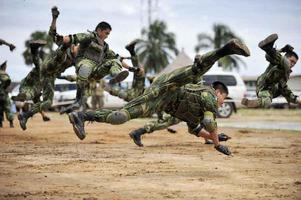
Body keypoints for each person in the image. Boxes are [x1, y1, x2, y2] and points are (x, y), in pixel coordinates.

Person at [68, 39, 250, 155]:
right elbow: (210, 124)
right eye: (223, 98)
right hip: (172, 85)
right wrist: (216, 143)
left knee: (119, 117)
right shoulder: (209, 95)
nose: (222, 102)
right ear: (218, 92)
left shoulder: (197, 115)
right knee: (196, 71)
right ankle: (227, 49)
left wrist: (211, 137)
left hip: (159, 101)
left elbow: (195, 130)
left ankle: (82, 116)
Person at [54, 20, 129, 114]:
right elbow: (73, 38)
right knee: (86, 68)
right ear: (99, 30)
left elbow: (118, 58)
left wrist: (131, 68)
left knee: (115, 61)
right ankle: (78, 100)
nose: (107, 36)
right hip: (83, 66)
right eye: (106, 33)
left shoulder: (105, 46)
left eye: (108, 34)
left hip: (96, 72)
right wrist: (61, 38)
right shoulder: (88, 37)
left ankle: (115, 76)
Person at [241, 33, 300, 108]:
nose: (293, 64)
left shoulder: (285, 75)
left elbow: (285, 90)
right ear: (286, 57)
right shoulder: (278, 62)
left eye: (294, 63)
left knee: (267, 102)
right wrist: (282, 50)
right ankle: (267, 48)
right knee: (273, 58)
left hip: (265, 91)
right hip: (264, 81)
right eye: (292, 61)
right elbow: (269, 57)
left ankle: (250, 103)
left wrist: (297, 100)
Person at [0, 61, 14, 128]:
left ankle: (0, 124)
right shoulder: (3, 73)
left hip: (2, 94)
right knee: (8, 108)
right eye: (5, 66)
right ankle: (11, 123)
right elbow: (7, 81)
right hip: (4, 94)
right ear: (3, 66)